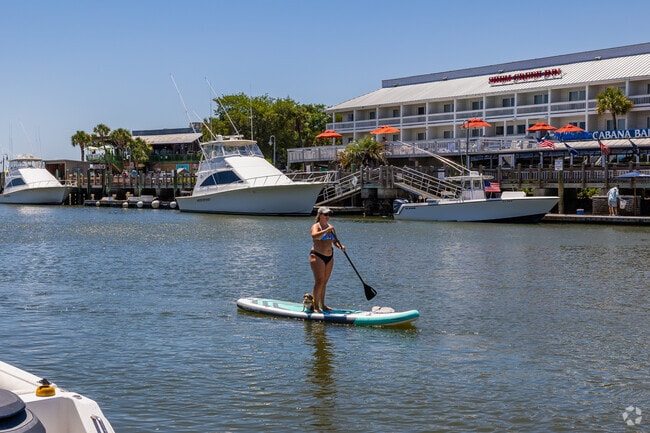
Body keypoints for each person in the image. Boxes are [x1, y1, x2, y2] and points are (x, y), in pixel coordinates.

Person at [309, 206, 345, 313]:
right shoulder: (316, 226)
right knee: (319, 281)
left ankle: (322, 305)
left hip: (329, 257)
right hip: (317, 256)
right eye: (325, 214)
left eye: (329, 214)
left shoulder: (331, 227)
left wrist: (340, 246)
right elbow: (314, 236)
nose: (327, 216)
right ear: (320, 215)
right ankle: (315, 306)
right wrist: (326, 230)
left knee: (324, 282)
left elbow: (335, 241)